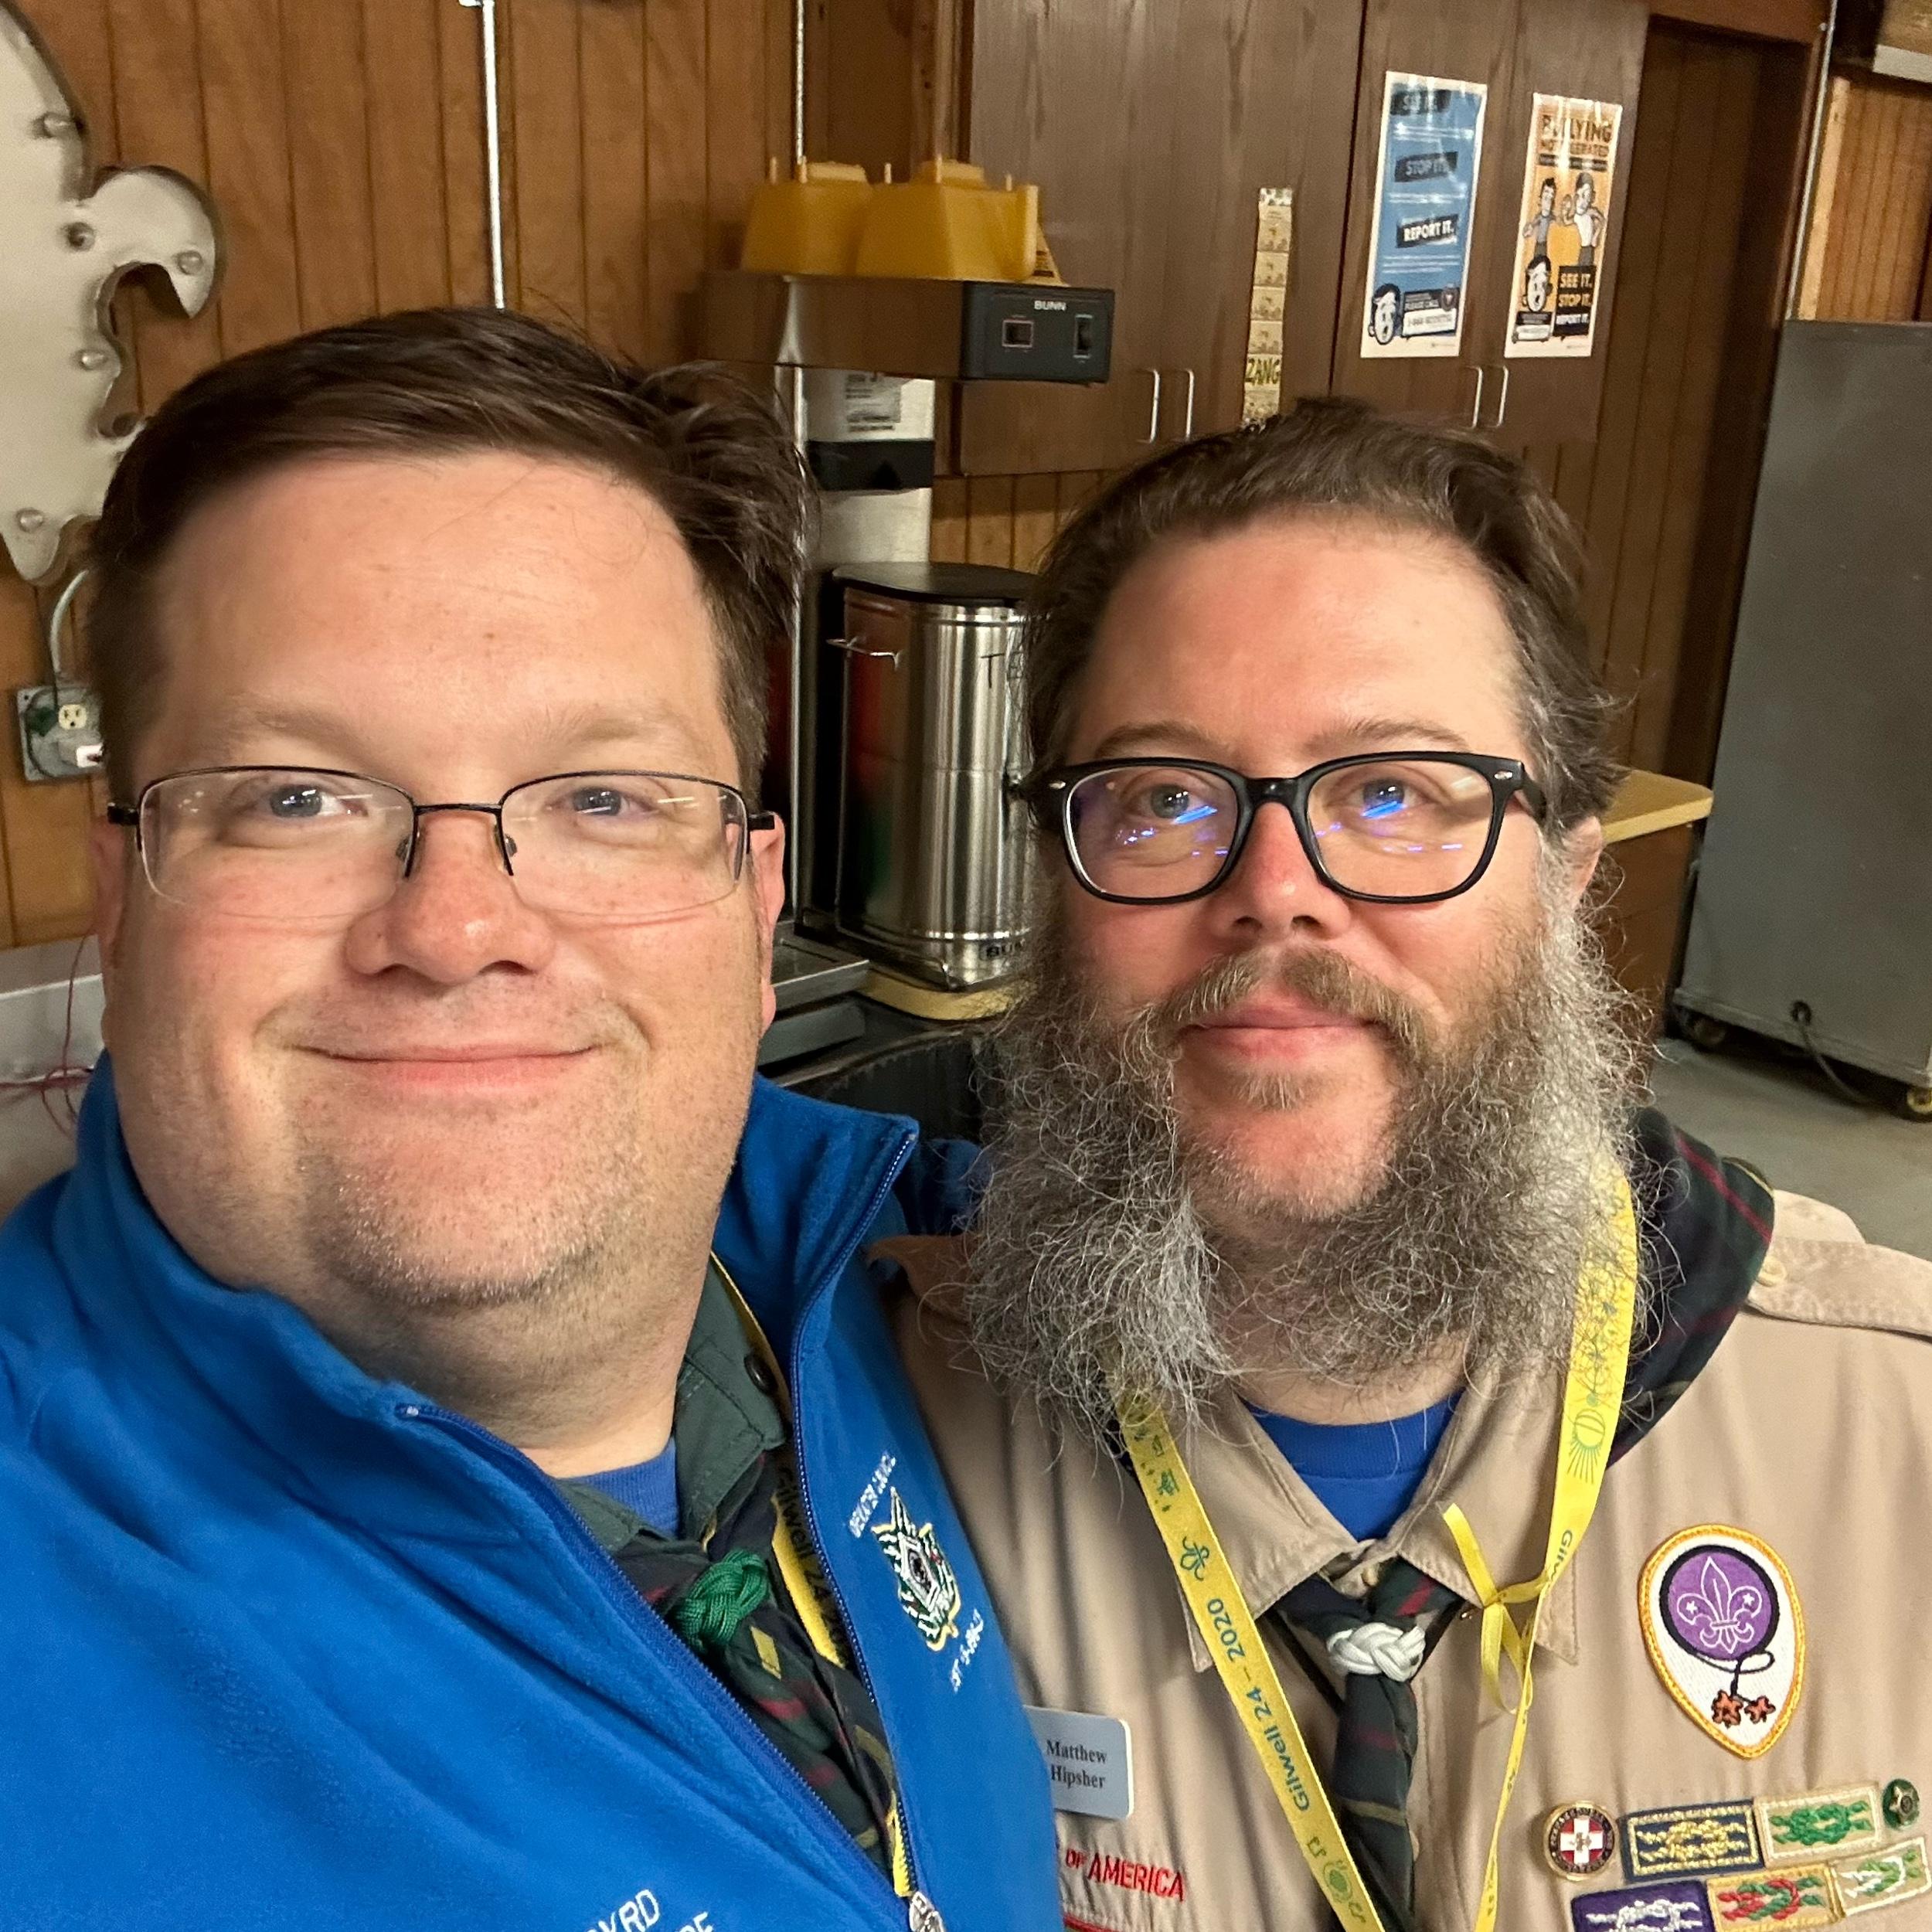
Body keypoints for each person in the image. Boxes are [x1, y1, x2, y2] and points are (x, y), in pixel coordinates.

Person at [0, 308, 1056, 1932]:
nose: (455, 925)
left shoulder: (895, 1272)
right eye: (296, 797)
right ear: (123, 900)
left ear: (754, 908)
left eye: (603, 799)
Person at [886, 399, 1932, 1932]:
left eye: (1391, 793)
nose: (1273, 892)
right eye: (1164, 797)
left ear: (1567, 877)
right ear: (1057, 886)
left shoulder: (1897, 1430)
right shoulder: (875, 1444)